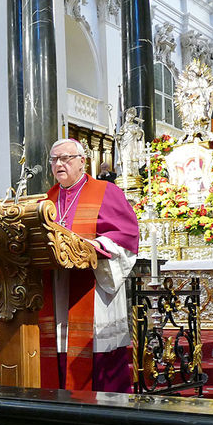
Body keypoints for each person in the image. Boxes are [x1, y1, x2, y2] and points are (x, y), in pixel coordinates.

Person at [41, 138, 139, 392]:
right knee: (60, 344)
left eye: (66, 158)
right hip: (58, 287)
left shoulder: (105, 191)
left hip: (93, 285)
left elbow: (126, 234)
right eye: (54, 159)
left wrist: (98, 246)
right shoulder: (47, 200)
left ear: (82, 161)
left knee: (95, 349)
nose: (59, 164)